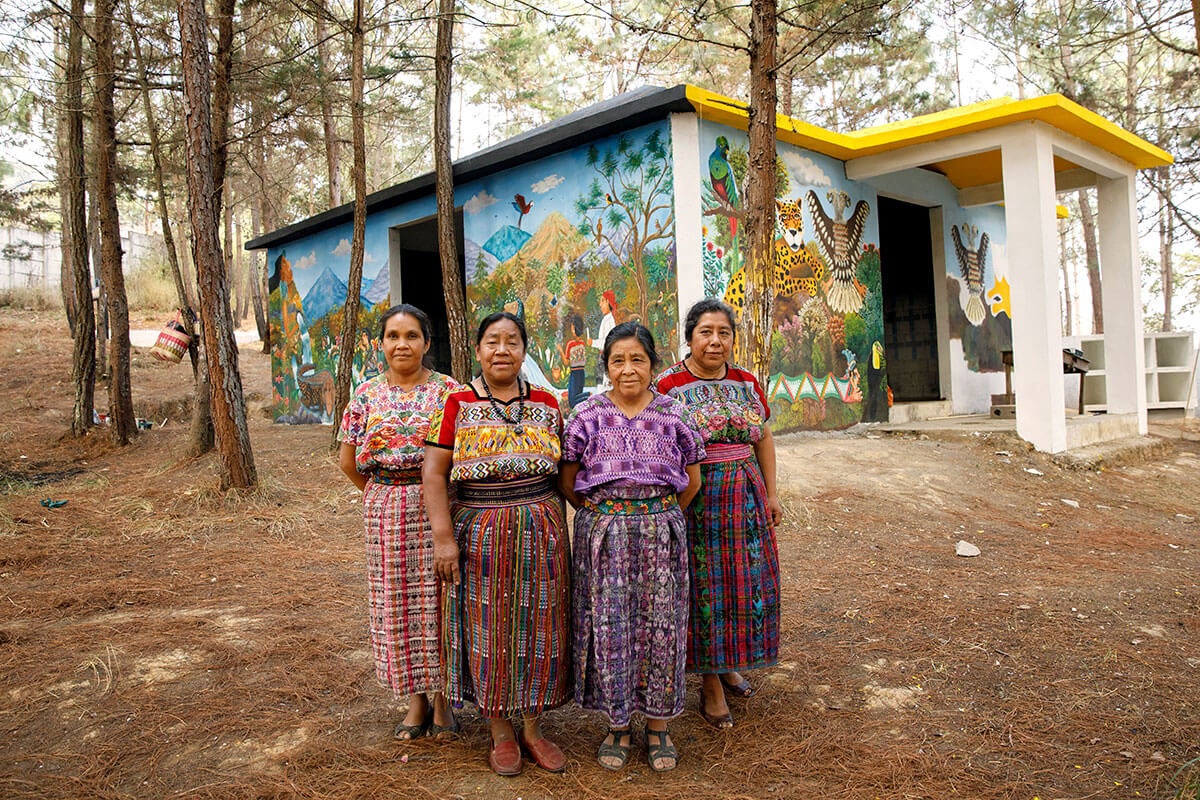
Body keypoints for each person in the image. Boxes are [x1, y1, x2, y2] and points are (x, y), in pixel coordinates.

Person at [423, 311, 572, 777]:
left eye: (512, 342)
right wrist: (444, 539)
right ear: (479, 350)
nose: (502, 350)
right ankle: (499, 731)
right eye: (492, 341)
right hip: (479, 531)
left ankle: (532, 728)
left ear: (525, 350)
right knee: (488, 626)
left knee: (539, 622)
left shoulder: (547, 401)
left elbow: (565, 470)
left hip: (541, 527)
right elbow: (433, 472)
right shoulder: (457, 402)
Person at [560, 322, 704, 772]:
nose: (628, 369)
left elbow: (692, 481)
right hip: (604, 536)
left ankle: (659, 726)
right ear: (606, 366)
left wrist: (656, 515)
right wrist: (608, 516)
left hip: (661, 533)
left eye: (637, 359)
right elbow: (568, 481)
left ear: (652, 364)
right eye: (618, 360)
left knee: (663, 627)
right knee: (610, 628)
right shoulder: (586, 416)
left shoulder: (675, 414)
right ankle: (618, 724)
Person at [655, 298, 782, 730]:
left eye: (723, 333)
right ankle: (708, 682)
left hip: (744, 495)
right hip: (696, 499)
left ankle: (729, 664)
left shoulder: (747, 382)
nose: (715, 341)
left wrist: (771, 494)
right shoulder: (668, 385)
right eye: (705, 332)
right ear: (689, 336)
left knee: (742, 583)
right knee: (704, 586)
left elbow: (762, 437)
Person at [336, 304, 460, 741]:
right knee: (399, 606)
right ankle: (415, 701)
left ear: (427, 343)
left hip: (441, 507)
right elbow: (349, 462)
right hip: (386, 511)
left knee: (442, 601)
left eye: (411, 335)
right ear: (381, 343)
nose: (402, 344)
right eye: (393, 336)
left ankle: (445, 699)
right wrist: (381, 495)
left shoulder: (451, 393)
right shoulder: (365, 395)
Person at [558, 312, 589, 410]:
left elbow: (566, 362)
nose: (571, 330)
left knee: (572, 402)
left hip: (575, 374)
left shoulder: (570, 344)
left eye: (572, 328)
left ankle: (589, 395)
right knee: (577, 402)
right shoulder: (582, 343)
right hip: (582, 373)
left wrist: (560, 351)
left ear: (575, 328)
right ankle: (588, 396)